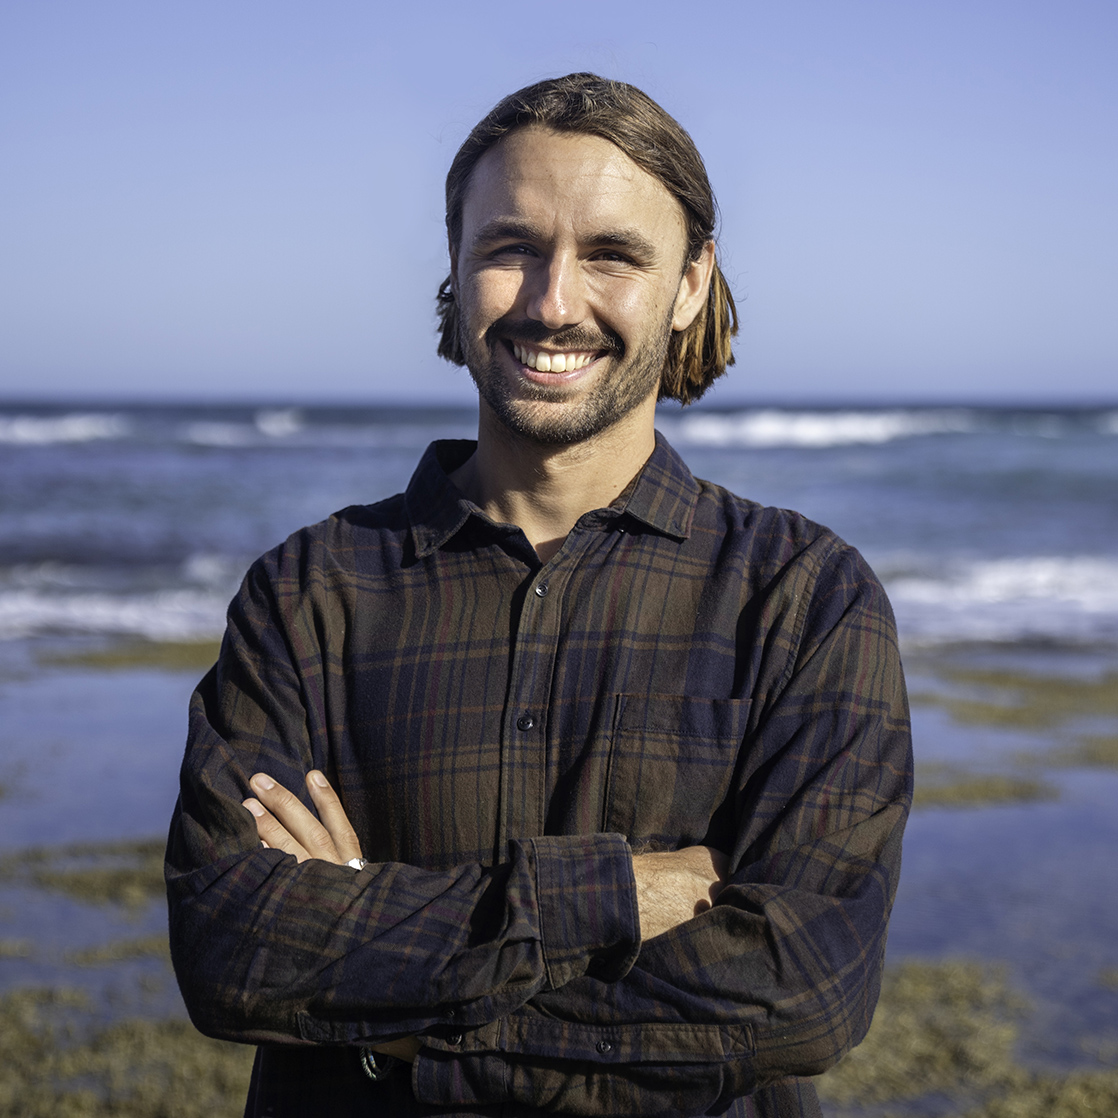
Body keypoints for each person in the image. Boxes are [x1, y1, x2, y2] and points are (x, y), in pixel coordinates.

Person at [166, 73, 912, 1118]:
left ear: (691, 282)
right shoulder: (308, 593)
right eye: (511, 247)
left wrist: (393, 1006)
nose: (552, 301)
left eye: (610, 253)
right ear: (456, 266)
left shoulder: (803, 600)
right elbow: (230, 949)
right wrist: (611, 898)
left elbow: (803, 994)